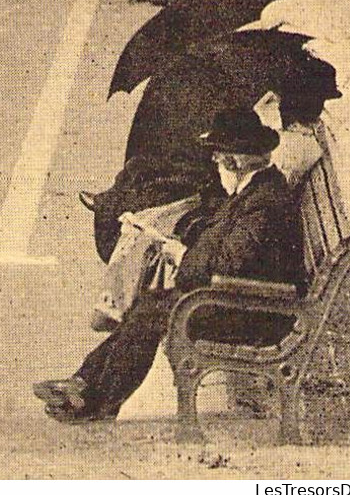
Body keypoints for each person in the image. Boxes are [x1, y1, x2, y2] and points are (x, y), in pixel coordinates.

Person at [33, 106, 303, 422]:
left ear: (234, 161)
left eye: (217, 158)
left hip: (259, 314)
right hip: (251, 301)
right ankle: (85, 385)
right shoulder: (258, 190)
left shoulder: (262, 203)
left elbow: (230, 264)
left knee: (153, 312)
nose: (215, 165)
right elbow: (232, 252)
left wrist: (182, 256)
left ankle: (94, 401)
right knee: (152, 305)